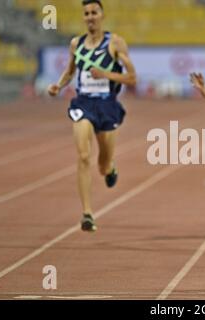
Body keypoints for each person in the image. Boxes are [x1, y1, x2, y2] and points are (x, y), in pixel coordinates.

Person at [47, 0, 136, 232]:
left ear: (102, 15)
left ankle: (110, 167)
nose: (90, 16)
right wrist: (58, 85)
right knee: (83, 155)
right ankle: (87, 213)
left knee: (102, 166)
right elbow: (69, 72)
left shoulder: (115, 42)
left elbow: (132, 78)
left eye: (94, 12)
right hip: (83, 103)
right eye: (86, 13)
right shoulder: (76, 44)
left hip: (107, 105)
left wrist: (105, 73)